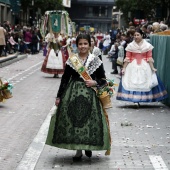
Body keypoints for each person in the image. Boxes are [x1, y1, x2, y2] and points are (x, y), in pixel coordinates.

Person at [46, 34, 111, 161]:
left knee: (89, 121)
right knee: (75, 122)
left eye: (85, 44)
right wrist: (59, 96)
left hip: (90, 95)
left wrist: (95, 83)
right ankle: (78, 150)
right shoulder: (72, 60)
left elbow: (103, 80)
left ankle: (88, 145)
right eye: (80, 44)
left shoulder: (96, 60)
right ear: (77, 45)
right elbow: (65, 79)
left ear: (90, 44)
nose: (83, 46)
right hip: (73, 94)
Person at [116, 29, 168, 107]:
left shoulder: (147, 45)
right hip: (132, 66)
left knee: (145, 82)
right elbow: (127, 58)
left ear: (142, 35)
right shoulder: (130, 46)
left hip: (145, 66)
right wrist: (124, 68)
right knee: (133, 82)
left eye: (138, 35)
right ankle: (135, 100)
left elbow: (149, 58)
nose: (136, 37)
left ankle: (142, 98)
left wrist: (152, 68)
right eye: (135, 35)